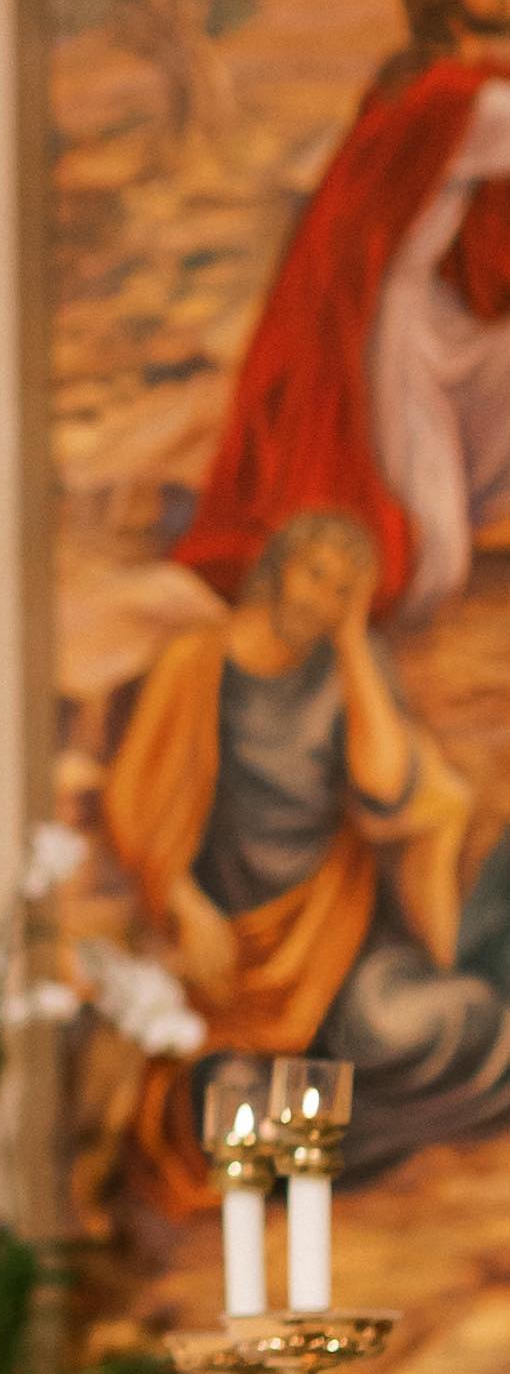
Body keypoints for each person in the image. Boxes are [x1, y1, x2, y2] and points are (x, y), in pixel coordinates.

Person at [103, 504, 510, 1203]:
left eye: (343, 589)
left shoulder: (349, 666)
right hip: (232, 963)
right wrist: (181, 900)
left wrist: (353, 642)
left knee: (428, 1023)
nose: (321, 596)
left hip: (338, 939)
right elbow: (133, 797)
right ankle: (307, 1114)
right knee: (227, 1107)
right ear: (278, 567)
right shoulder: (195, 663)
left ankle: (316, 1118)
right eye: (315, 574)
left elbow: (389, 786)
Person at [180, 0, 510, 625]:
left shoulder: (438, 86)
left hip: (435, 307)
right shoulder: (449, 97)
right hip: (387, 321)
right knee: (432, 565)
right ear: (449, 1)